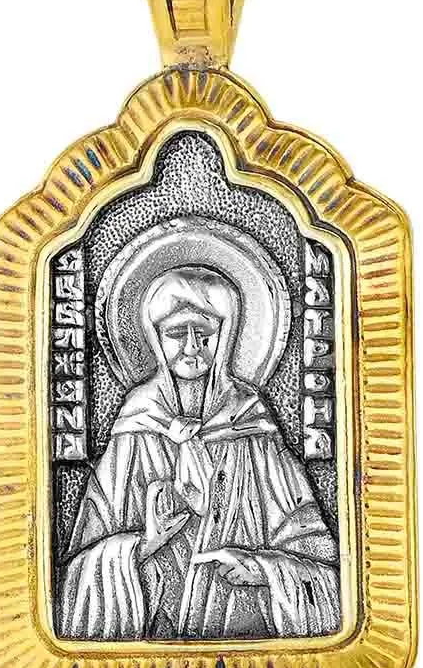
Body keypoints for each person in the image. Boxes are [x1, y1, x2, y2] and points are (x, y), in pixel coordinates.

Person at [57, 265, 340, 639]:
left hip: (244, 635)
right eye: (176, 334)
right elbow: (76, 576)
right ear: (154, 338)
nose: (191, 348)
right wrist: (142, 546)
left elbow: (320, 561)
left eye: (204, 334)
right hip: (154, 639)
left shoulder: (250, 422)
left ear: (226, 335)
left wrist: (262, 570)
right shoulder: (135, 428)